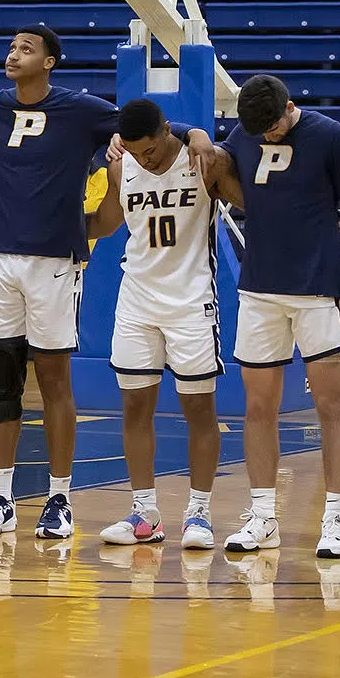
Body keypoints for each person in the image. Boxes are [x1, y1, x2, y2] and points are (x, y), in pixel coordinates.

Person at [0, 26, 209, 540]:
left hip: (54, 263)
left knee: (53, 380)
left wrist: (193, 131)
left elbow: (143, 123)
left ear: (50, 62)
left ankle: (59, 498)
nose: (13, 53)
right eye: (11, 46)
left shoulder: (81, 109)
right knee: (0, 384)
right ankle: (0, 497)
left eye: (26, 48)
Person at [220, 74, 340, 560]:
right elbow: (199, 143)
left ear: (290, 108)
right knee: (258, 408)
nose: (266, 137)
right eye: (257, 131)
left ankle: (336, 518)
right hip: (260, 290)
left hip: (318, 289)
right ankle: (264, 516)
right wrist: (195, 134)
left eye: (273, 128)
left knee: (332, 406)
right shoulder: (245, 133)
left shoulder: (329, 136)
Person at [85, 98, 235, 550]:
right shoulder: (121, 166)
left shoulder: (203, 160)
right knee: (134, 409)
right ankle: (145, 513)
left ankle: (200, 513)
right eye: (133, 151)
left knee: (199, 411)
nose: (143, 159)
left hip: (191, 302)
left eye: (149, 150)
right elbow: (108, 222)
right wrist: (53, 226)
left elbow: (253, 200)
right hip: (136, 301)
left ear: (168, 131)